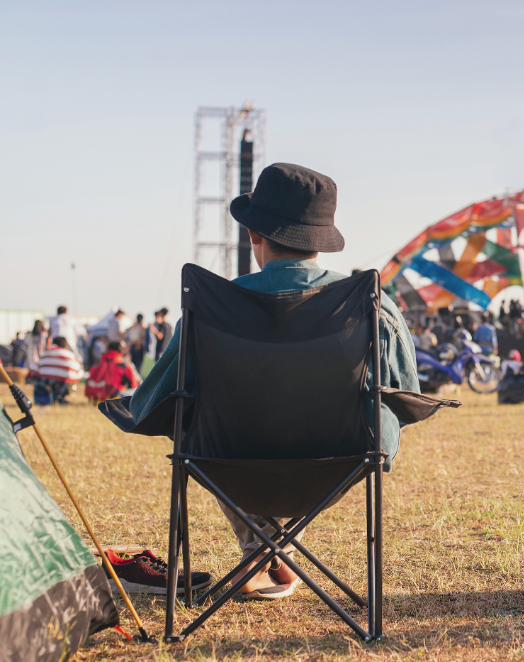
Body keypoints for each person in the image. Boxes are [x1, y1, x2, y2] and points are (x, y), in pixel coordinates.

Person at [129, 163, 419, 600]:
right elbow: (406, 394)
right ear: (323, 239)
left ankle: (259, 547)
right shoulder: (371, 303)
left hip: (232, 462)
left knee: (194, 419)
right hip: (341, 461)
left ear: (253, 233)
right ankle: (270, 550)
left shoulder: (213, 307)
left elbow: (151, 404)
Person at [28, 337, 84, 405]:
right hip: (56, 388)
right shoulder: (68, 354)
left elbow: (33, 369)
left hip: (39, 394)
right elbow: (79, 373)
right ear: (65, 346)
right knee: (67, 379)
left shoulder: (45, 353)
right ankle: (59, 398)